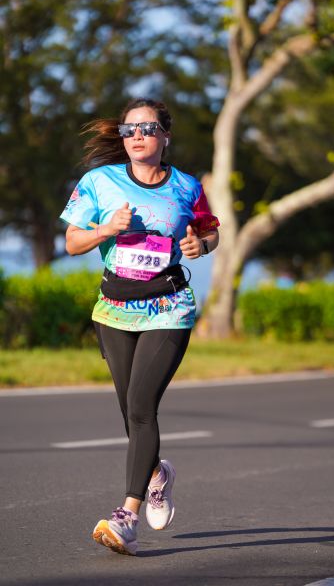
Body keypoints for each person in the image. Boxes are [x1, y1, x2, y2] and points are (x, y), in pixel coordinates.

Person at [60, 98, 219, 556]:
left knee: (142, 406)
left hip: (169, 305)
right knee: (129, 410)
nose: (137, 136)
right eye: (129, 129)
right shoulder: (99, 182)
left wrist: (201, 245)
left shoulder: (187, 187)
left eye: (147, 128)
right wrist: (105, 229)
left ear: (165, 135)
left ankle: (126, 516)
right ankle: (156, 474)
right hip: (113, 309)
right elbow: (72, 242)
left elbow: (210, 231)